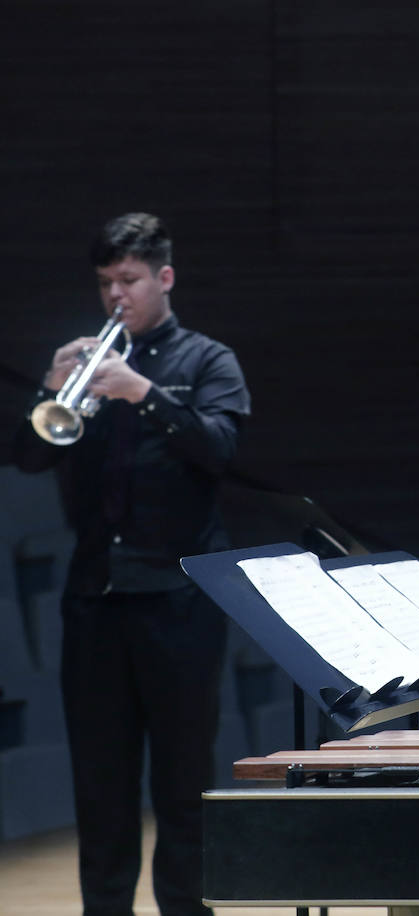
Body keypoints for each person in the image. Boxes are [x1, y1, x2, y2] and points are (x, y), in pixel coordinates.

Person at [13, 213, 251, 916]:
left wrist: (145, 396)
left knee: (182, 780)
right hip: (94, 602)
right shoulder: (83, 370)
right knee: (101, 784)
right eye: (105, 282)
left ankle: (185, 909)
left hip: (179, 601)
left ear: (164, 278)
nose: (117, 296)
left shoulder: (209, 362)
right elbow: (30, 456)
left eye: (130, 280)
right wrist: (49, 392)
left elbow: (222, 453)